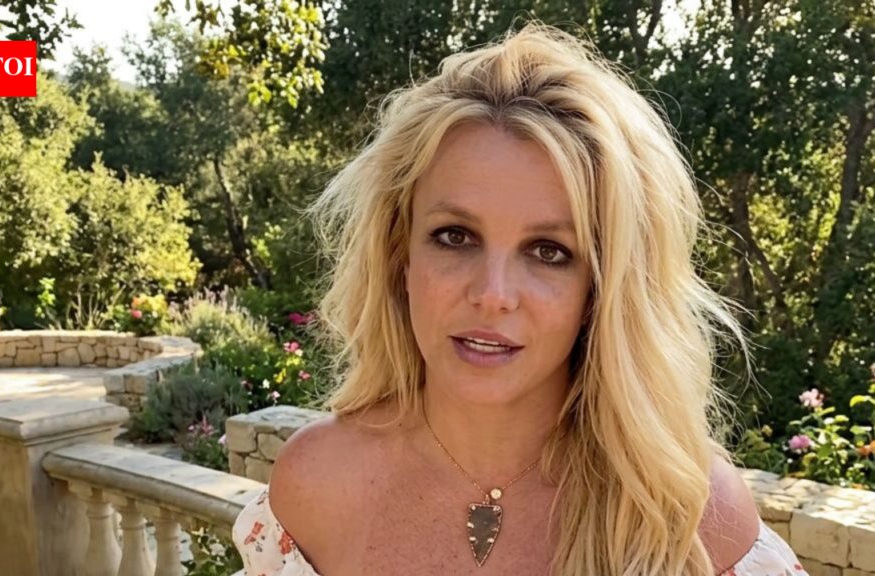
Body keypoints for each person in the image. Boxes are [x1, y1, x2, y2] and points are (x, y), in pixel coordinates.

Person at [232, 22, 808, 576]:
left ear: (603, 289)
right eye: (455, 237)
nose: (493, 295)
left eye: (549, 251)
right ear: (399, 256)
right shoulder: (317, 486)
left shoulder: (691, 521)